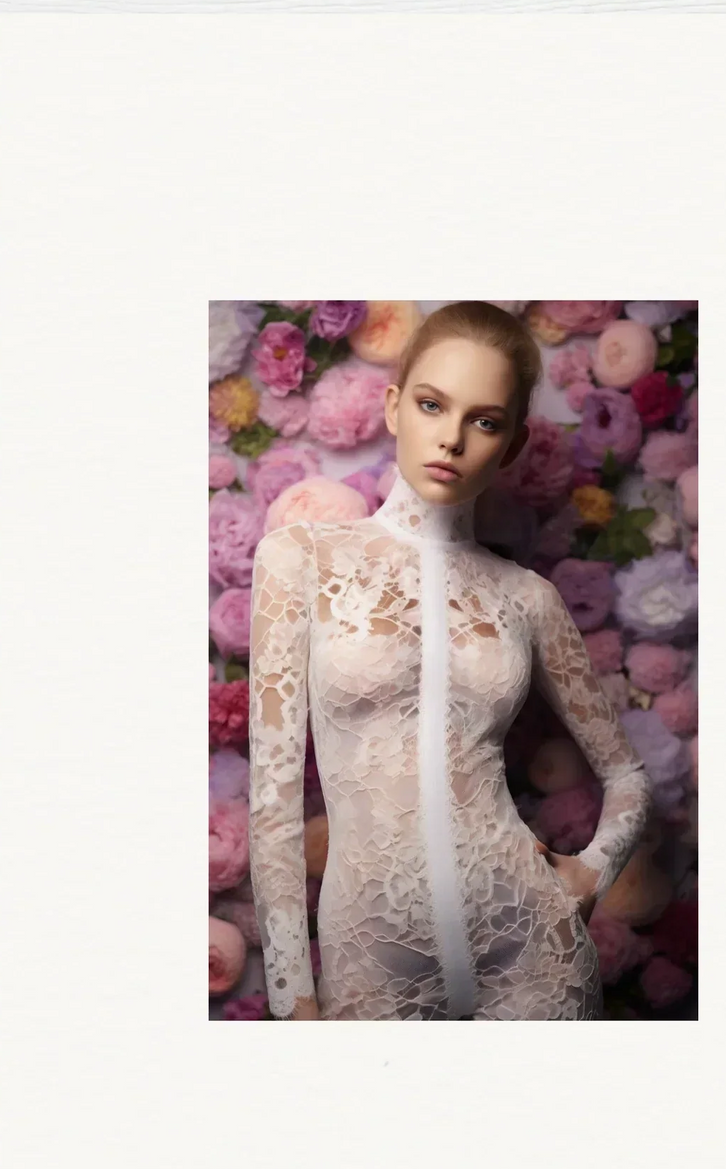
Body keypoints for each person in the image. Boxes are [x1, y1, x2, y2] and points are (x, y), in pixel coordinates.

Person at [247, 301, 653, 1020]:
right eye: (434, 405)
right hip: (372, 955)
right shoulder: (301, 559)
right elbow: (273, 802)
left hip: (532, 943)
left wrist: (590, 872)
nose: (453, 438)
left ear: (513, 442)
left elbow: (626, 774)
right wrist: (290, 996)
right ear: (395, 405)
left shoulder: (527, 597)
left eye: (485, 420)